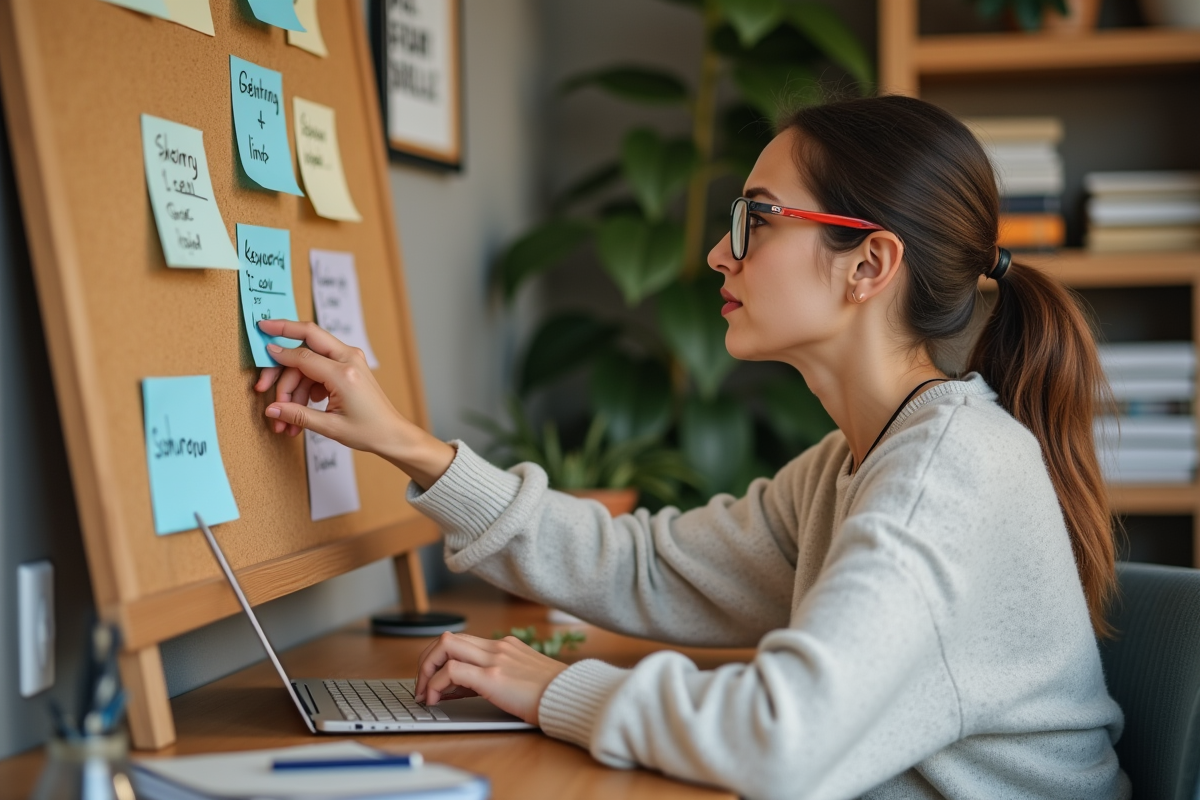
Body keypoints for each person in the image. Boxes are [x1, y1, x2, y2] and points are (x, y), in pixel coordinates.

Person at [253, 95, 1129, 799]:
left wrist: (555, 690)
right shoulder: (859, 462)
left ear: (868, 266)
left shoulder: (945, 475)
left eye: (755, 221)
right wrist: (411, 447)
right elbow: (651, 568)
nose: (718, 253)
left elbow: (782, 739)